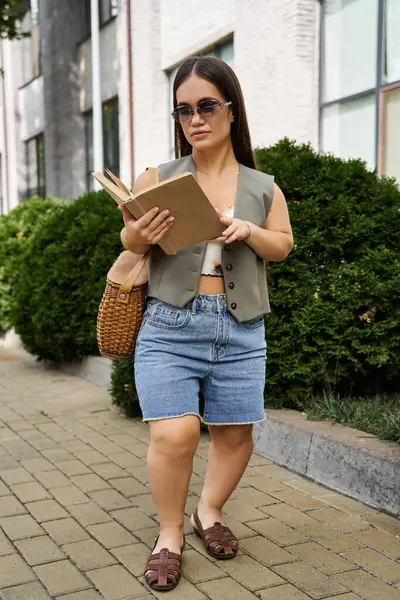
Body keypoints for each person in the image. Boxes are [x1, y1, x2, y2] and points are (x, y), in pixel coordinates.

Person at [119, 55, 293, 592]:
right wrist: (141, 231)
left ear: (231, 111)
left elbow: (282, 246)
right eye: (184, 110)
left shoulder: (263, 186)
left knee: (236, 433)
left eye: (207, 106)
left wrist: (248, 231)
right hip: (171, 323)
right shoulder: (158, 177)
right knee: (175, 433)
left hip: (240, 327)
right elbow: (128, 243)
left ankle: (208, 512)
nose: (195, 119)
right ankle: (168, 535)